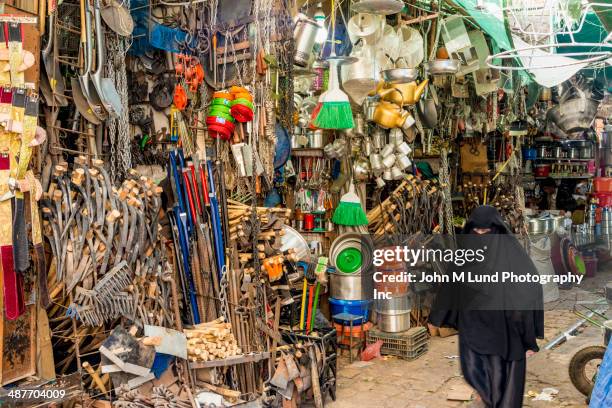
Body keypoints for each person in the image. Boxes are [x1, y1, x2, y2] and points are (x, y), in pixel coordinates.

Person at [430, 206, 544, 408]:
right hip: (474, 324)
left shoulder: (512, 254)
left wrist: (521, 317)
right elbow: (452, 284)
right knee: (473, 369)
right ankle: (489, 398)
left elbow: (530, 283)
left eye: (486, 232)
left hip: (506, 326)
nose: (481, 236)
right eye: (477, 232)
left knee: (505, 375)